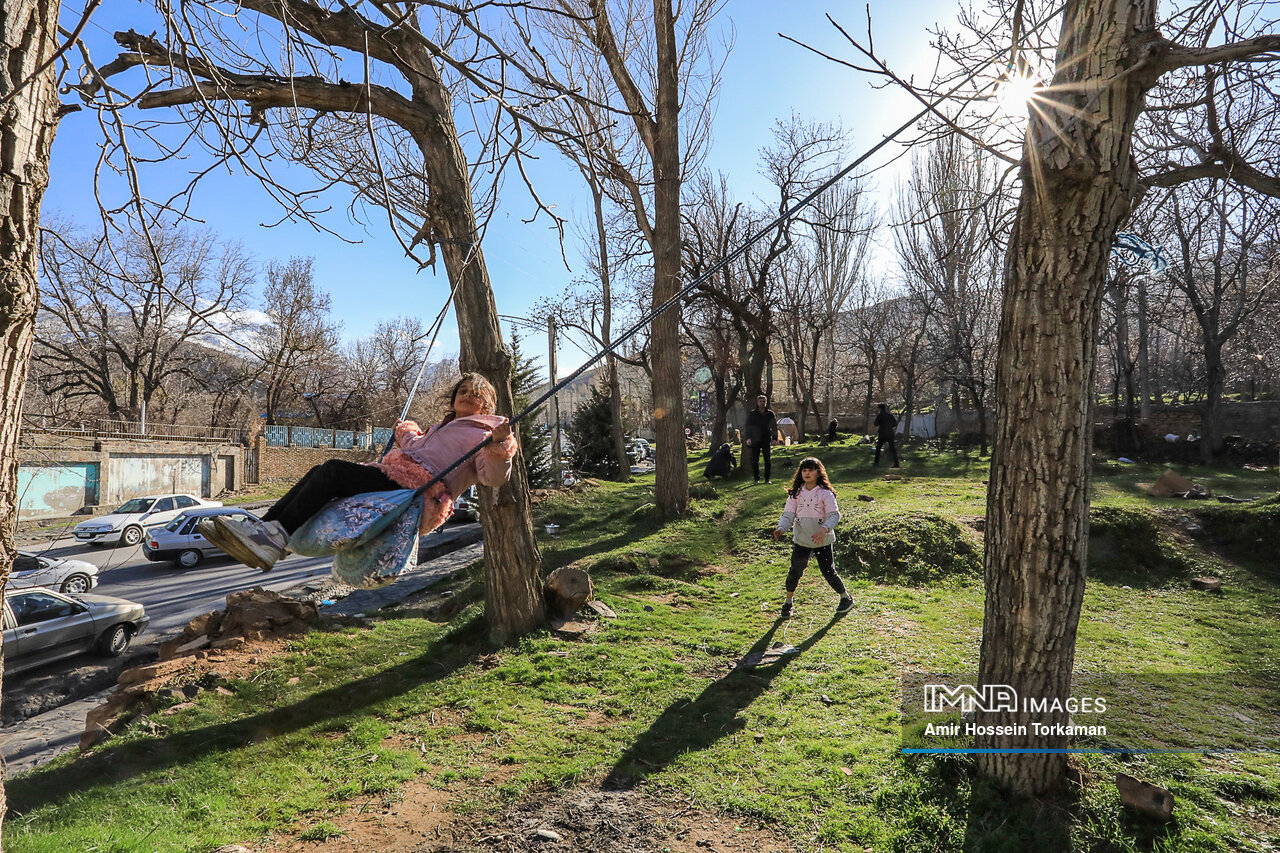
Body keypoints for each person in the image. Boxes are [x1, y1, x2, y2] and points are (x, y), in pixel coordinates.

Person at [201, 373, 517, 570]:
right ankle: (267, 531)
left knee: (333, 472)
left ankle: (272, 536)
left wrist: (500, 448)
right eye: (463, 390)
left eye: (477, 393)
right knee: (319, 472)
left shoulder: (485, 435)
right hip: (397, 476)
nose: (468, 395)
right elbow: (417, 446)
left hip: (417, 491)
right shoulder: (444, 427)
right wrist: (406, 431)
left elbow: (493, 477)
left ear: (488, 405)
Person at [772, 457, 854, 618]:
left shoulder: (825, 493)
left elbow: (834, 515)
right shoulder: (796, 494)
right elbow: (788, 515)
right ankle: (788, 603)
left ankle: (846, 598)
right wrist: (781, 529)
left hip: (822, 541)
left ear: (818, 472)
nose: (807, 473)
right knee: (795, 570)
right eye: (804, 470)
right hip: (802, 540)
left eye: (810, 470)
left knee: (828, 571)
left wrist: (823, 530)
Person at [743, 395, 777, 483]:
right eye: (760, 401)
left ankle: (767, 479)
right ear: (757, 402)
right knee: (755, 460)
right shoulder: (752, 413)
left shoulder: (770, 414)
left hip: (766, 439)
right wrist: (748, 438)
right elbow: (748, 426)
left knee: (767, 460)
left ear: (766, 402)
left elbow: (774, 427)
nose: (762, 403)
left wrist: (774, 438)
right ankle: (756, 478)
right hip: (755, 439)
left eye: (763, 401)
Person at [873, 403, 900, 468]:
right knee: (893, 449)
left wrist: (881, 424)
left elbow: (875, 424)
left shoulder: (879, 415)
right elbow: (895, 423)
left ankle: (876, 463)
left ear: (879, 408)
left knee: (878, 448)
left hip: (882, 433)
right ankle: (896, 463)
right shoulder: (890, 415)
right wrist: (890, 426)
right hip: (890, 433)